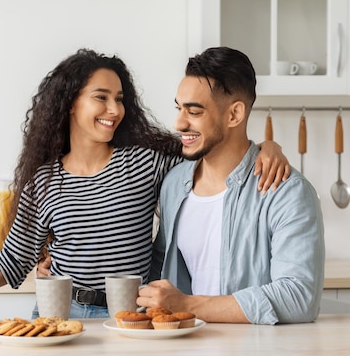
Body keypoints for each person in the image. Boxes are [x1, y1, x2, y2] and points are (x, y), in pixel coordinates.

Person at [0, 48, 289, 319]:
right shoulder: (44, 181)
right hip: (58, 313)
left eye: (120, 99)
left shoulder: (145, 164)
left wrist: (266, 147)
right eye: (102, 97)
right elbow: (13, 261)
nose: (114, 110)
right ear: (71, 102)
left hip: (130, 315)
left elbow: (215, 154)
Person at [139, 46, 325, 325]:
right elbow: (161, 270)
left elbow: (299, 297)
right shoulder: (174, 184)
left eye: (194, 111)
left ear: (234, 115)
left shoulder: (286, 192)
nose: (179, 122)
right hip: (184, 354)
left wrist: (187, 305)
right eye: (179, 108)